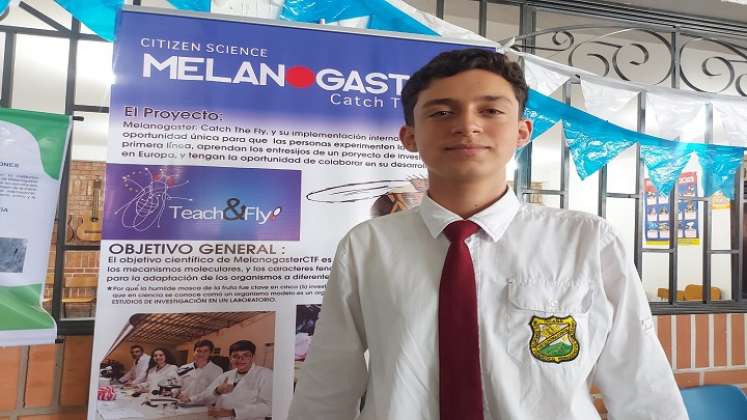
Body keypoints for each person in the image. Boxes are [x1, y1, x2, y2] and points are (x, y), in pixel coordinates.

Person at [288, 48, 688, 420]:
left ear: (522, 131)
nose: (467, 125)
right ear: (409, 137)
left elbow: (640, 383)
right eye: (441, 113)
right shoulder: (367, 246)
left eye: (491, 110)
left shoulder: (587, 241)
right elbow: (328, 382)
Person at [182, 340, 272, 420]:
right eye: (235, 356)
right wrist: (217, 391)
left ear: (253, 357)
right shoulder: (226, 376)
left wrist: (233, 412)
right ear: (230, 358)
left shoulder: (266, 375)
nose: (240, 359)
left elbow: (269, 407)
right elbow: (207, 394)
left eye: (246, 355)